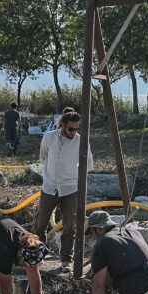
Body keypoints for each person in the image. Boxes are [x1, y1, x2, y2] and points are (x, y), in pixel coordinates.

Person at [35, 108, 92, 272]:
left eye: (76, 129)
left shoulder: (81, 141)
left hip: (70, 188)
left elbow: (87, 164)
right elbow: (43, 156)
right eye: (70, 129)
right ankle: (39, 255)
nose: (74, 132)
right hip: (49, 186)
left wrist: (73, 178)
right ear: (62, 125)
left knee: (69, 226)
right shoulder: (49, 137)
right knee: (41, 223)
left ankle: (66, 259)